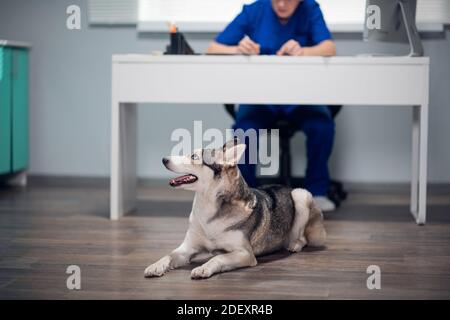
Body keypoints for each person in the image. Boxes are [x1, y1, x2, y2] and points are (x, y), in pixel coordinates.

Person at [207, 0, 337, 212]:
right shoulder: (254, 11)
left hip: (299, 97)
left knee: (322, 126)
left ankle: (318, 192)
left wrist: (303, 51)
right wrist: (237, 49)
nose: (282, 4)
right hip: (260, 97)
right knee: (244, 131)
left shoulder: (310, 9)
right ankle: (244, 194)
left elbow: (329, 47)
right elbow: (213, 48)